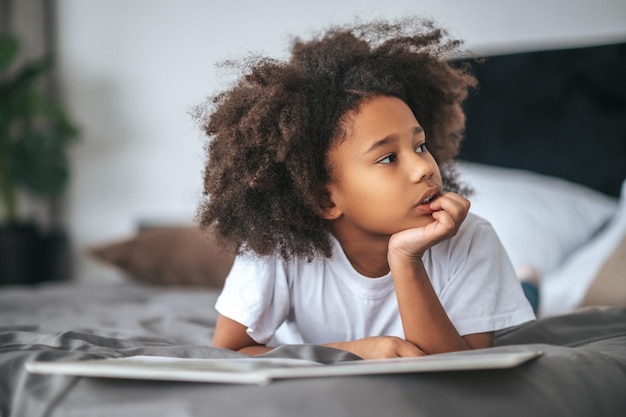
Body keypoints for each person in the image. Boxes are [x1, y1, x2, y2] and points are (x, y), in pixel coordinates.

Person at [196, 17, 536, 359]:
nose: (423, 168)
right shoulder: (277, 247)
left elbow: (467, 369)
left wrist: (406, 259)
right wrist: (356, 351)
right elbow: (229, 352)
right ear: (324, 197)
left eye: (420, 146)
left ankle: (530, 283)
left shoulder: (471, 239)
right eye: (388, 158)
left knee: (527, 302)